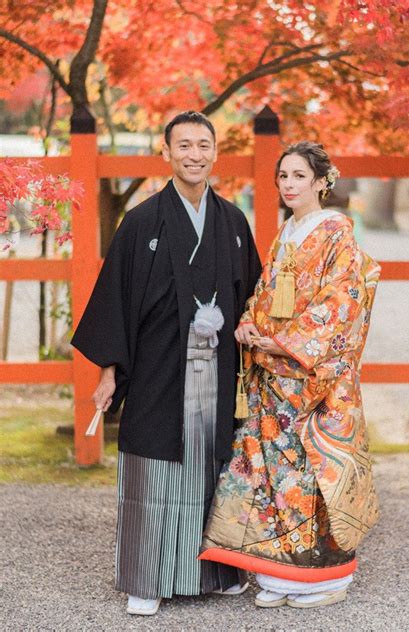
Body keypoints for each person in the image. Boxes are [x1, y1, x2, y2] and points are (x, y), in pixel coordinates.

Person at [71, 111, 261, 615]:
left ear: (215, 153)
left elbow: (253, 299)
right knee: (154, 466)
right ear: (166, 153)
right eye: (184, 146)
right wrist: (109, 371)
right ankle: (146, 578)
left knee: (211, 466)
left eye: (203, 145)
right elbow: (115, 298)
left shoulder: (234, 222)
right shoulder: (141, 222)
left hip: (219, 369)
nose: (194, 155)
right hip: (158, 368)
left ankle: (217, 571)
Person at [200, 142, 380, 609]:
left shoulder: (337, 231)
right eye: (283, 177)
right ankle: (281, 572)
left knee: (307, 471)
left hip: (310, 375)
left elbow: (343, 302)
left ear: (323, 181)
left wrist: (285, 343)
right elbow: (264, 291)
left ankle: (323, 576)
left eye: (299, 176)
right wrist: (249, 324)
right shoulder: (287, 232)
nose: (289, 185)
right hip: (273, 372)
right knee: (274, 473)